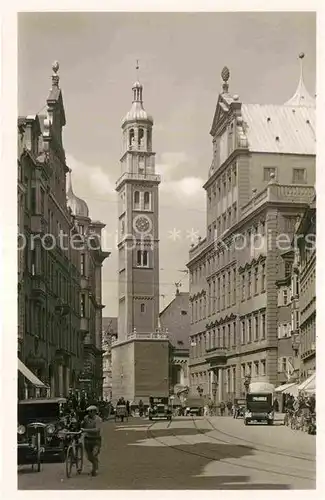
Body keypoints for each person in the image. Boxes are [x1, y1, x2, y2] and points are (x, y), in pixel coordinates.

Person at [81, 405, 102, 476]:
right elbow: (82, 425)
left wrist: (85, 430)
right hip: (87, 439)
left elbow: (97, 429)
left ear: (94, 412)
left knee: (94, 454)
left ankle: (95, 469)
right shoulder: (86, 418)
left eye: (91, 411)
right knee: (89, 456)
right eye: (88, 411)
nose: (89, 413)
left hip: (96, 439)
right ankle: (95, 464)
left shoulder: (98, 419)